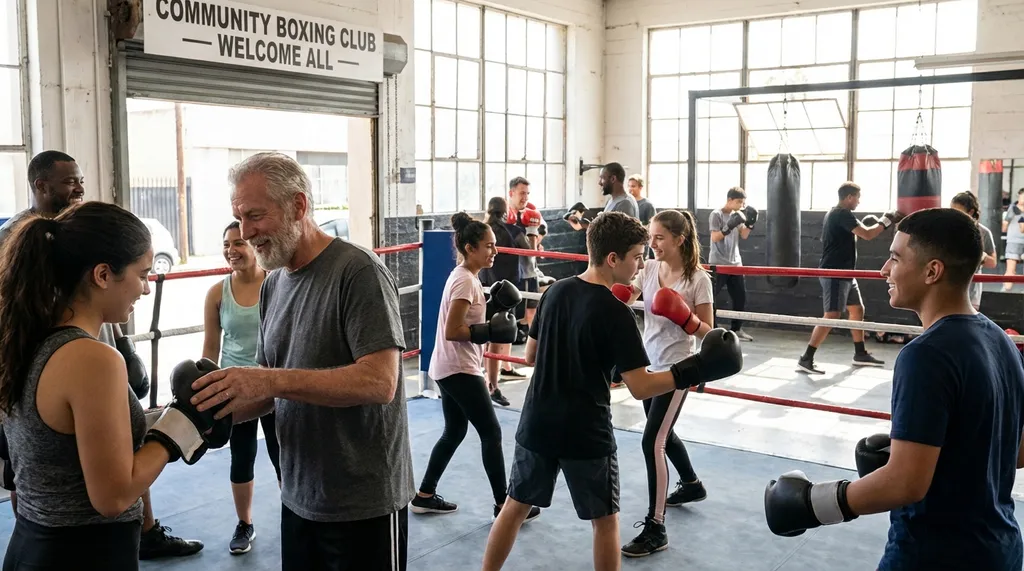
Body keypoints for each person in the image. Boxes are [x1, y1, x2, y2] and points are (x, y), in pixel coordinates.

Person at [764, 207, 1024, 571]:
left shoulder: (926, 355)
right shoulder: (1003, 342)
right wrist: (929, 449)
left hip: (935, 556)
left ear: (932, 271)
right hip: (1001, 548)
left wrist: (812, 503)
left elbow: (905, 485)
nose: (884, 270)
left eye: (895, 258)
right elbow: (1015, 452)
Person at [480, 211, 743, 571]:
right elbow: (640, 387)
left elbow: (530, 355)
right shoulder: (616, 313)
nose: (640, 264)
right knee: (605, 521)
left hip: (537, 422)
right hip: (586, 432)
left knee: (514, 506)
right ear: (613, 259)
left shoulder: (554, 290)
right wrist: (695, 369)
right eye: (636, 256)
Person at [189, 151, 414, 571]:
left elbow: (379, 383)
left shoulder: (358, 271)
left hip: (363, 503)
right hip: (299, 497)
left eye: (255, 216)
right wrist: (202, 413)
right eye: (239, 219)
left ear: (298, 206)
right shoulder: (274, 285)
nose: (246, 232)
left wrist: (270, 382)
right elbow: (269, 393)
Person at [0, 150, 203, 561]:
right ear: (103, 274)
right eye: (142, 274)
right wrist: (178, 429)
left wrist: (155, 420)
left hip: (33, 546)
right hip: (82, 552)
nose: (146, 289)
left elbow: (67, 440)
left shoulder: (27, 337)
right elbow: (112, 496)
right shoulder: (91, 360)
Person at [410, 212, 542, 523]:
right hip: (458, 368)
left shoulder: (466, 277)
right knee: (491, 432)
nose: (495, 251)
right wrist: (489, 331)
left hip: (449, 365)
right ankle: (503, 506)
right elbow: (453, 330)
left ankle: (424, 495)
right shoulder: (465, 281)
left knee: (454, 431)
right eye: (489, 246)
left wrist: (492, 309)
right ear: (470, 248)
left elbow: (466, 321)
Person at [614, 210, 714, 558]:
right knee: (664, 435)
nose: (651, 243)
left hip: (679, 369)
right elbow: (626, 298)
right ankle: (691, 484)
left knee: (651, 441)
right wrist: (616, 296)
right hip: (648, 367)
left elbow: (711, 335)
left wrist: (687, 318)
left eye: (658, 237)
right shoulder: (650, 269)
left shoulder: (699, 279)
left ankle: (656, 527)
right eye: (650, 237)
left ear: (679, 240)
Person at [201, 221, 282, 555]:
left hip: (273, 384)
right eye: (227, 244)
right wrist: (204, 394)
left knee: (285, 455)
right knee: (242, 456)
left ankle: (296, 511)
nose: (232, 250)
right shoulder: (217, 293)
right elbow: (209, 349)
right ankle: (244, 523)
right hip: (235, 389)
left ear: (254, 246)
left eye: (239, 243)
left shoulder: (275, 285)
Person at [797, 182, 895, 374]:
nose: (859, 201)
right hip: (834, 273)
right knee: (832, 315)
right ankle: (806, 358)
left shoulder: (838, 214)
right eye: (857, 197)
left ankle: (860, 353)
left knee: (857, 310)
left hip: (846, 274)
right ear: (849, 197)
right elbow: (867, 234)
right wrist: (886, 219)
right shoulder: (841, 214)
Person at [480, 196, 530, 404]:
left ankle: (486, 382)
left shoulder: (481, 231)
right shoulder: (513, 231)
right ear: (505, 211)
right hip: (505, 291)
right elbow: (528, 250)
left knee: (483, 337)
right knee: (498, 340)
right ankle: (492, 385)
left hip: (483, 287)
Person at [708, 187, 756, 342]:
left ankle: (736, 329)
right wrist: (728, 226)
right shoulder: (716, 214)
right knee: (711, 298)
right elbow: (715, 237)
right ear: (729, 200)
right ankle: (712, 330)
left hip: (735, 263)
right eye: (739, 202)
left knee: (740, 297)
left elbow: (744, 235)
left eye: (743, 202)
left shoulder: (739, 216)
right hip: (718, 263)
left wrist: (750, 224)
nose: (741, 205)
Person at [506, 177, 545, 333]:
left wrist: (533, 235)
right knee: (509, 315)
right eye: (522, 193)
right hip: (509, 272)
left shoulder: (531, 213)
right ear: (511, 193)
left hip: (528, 271)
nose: (525, 197)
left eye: (527, 193)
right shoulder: (503, 214)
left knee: (531, 313)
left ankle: (533, 352)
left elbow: (534, 247)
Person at [949, 191, 997, 311]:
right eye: (952, 210)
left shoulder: (983, 233)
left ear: (970, 212)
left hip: (971, 290)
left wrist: (981, 255)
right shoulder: (946, 230)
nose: (954, 215)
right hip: (948, 285)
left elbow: (992, 263)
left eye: (958, 211)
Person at [565, 162, 639, 232]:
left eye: (602, 178)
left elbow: (619, 236)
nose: (599, 183)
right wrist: (583, 224)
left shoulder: (625, 203)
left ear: (613, 179)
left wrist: (587, 225)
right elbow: (607, 230)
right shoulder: (612, 200)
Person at [1002, 188, 1024, 292]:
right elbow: (1005, 225)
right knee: (1011, 269)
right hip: (1014, 241)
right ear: (1019, 196)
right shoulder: (1014, 208)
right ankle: (1006, 290)